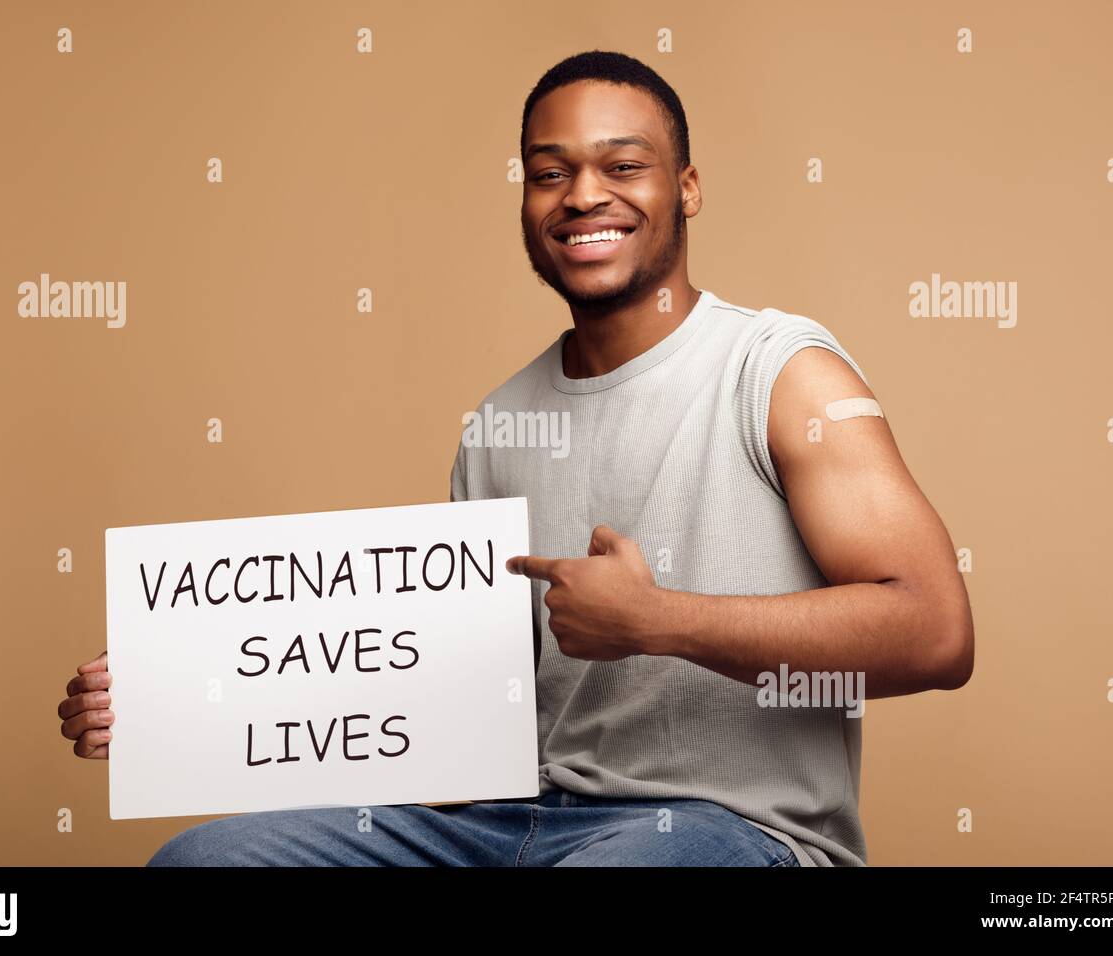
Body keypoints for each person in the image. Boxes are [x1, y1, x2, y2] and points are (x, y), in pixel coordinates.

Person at [58, 50, 973, 867]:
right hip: (504, 825)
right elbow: (441, 705)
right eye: (549, 172)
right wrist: (188, 698)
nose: (581, 195)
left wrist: (660, 619)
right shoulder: (498, 426)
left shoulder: (781, 374)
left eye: (623, 165)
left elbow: (935, 632)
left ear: (687, 188)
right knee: (208, 861)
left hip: (721, 829)